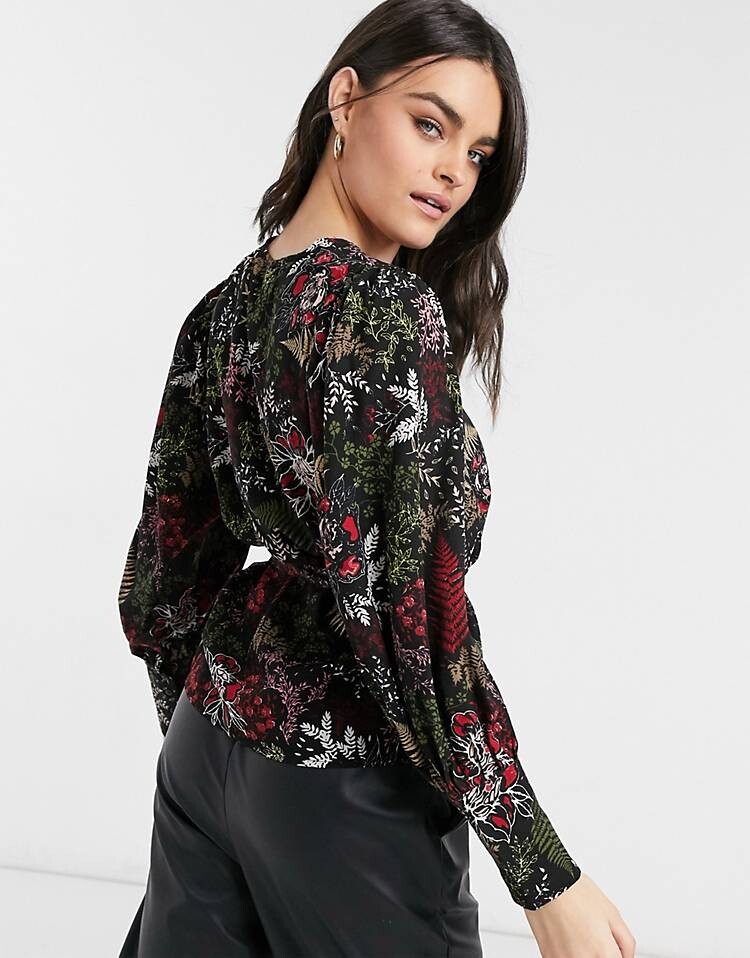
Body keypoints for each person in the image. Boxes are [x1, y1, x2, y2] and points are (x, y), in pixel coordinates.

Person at [116, 1, 636, 955]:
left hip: (204, 741)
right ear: (345, 101)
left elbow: (163, 577)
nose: (454, 172)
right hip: (344, 786)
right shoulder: (385, 311)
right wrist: (542, 872)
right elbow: (415, 615)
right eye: (431, 124)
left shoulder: (223, 309)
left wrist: (219, 740)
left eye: (478, 153)